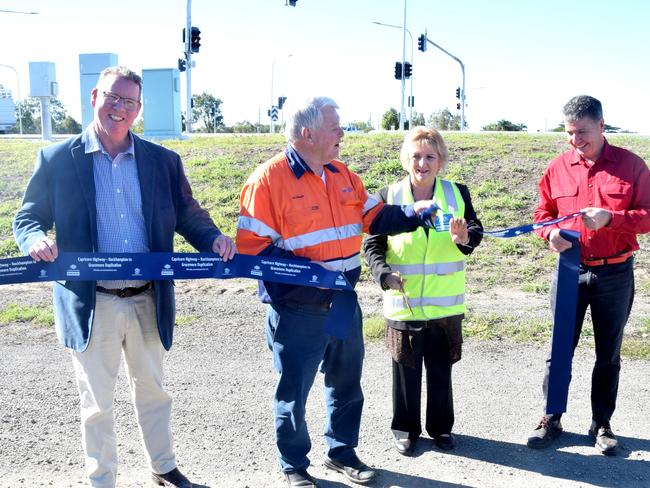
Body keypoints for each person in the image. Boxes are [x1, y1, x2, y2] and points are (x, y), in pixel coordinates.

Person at [13, 66, 236, 488]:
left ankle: (163, 467)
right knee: (96, 402)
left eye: (129, 102)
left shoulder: (163, 161)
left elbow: (188, 214)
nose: (120, 108)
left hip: (147, 299)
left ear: (138, 109)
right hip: (90, 301)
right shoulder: (57, 159)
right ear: (95, 96)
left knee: (154, 390)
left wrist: (213, 239)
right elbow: (28, 217)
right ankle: (102, 479)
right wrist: (34, 238)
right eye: (113, 98)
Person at [236, 97, 439, 488]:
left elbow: (372, 216)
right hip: (297, 308)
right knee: (294, 391)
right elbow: (252, 250)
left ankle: (341, 451)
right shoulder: (267, 180)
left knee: (347, 383)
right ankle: (293, 464)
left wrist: (414, 213)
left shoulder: (342, 173)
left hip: (344, 301)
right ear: (308, 133)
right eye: (335, 127)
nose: (342, 133)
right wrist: (311, 277)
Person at [526, 95, 650, 455]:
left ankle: (602, 424)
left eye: (582, 132)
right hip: (570, 272)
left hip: (614, 273)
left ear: (601, 125)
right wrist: (548, 233)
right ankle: (551, 418)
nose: (575, 140)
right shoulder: (557, 167)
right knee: (558, 349)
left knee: (608, 354)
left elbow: (647, 215)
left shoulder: (631, 166)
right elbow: (541, 212)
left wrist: (612, 218)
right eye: (568, 133)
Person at [363, 127, 483, 456]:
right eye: (416, 155)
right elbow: (373, 244)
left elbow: (475, 231)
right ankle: (405, 429)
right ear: (405, 159)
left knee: (441, 370)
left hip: (445, 304)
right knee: (405, 371)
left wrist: (464, 239)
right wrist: (384, 274)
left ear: (440, 161)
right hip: (404, 301)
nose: (422, 162)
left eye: (430, 156)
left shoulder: (457, 192)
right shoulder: (389, 196)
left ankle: (441, 429)